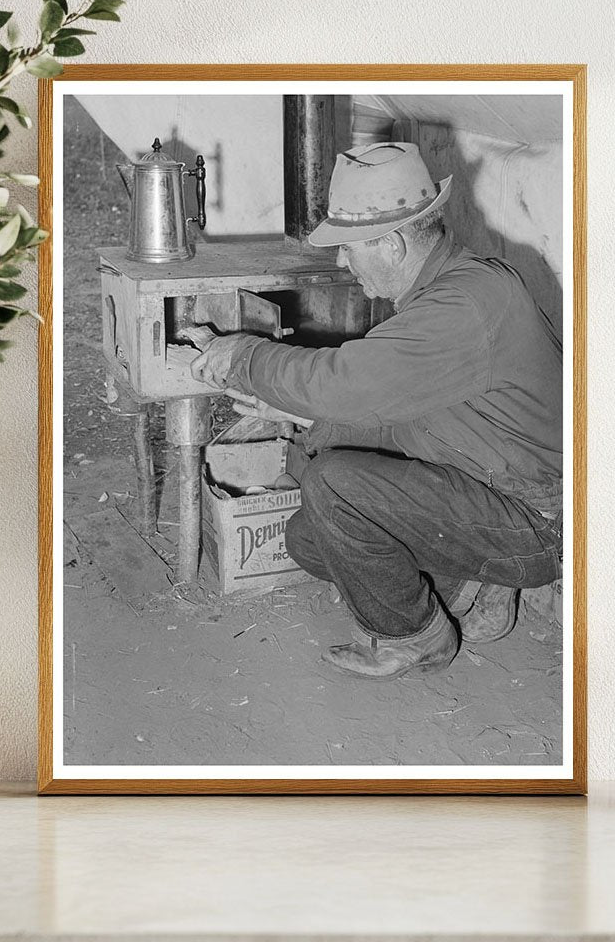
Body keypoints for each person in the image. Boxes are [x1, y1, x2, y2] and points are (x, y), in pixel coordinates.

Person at [191, 141, 563, 680]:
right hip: (484, 481)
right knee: (310, 539)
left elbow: (347, 382)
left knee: (336, 483)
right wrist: (289, 409)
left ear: (389, 244)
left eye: (349, 247)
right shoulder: (448, 285)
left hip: (539, 519)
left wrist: (243, 356)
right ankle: (471, 581)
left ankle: (415, 637)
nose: (342, 261)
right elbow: (384, 401)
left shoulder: (465, 304)